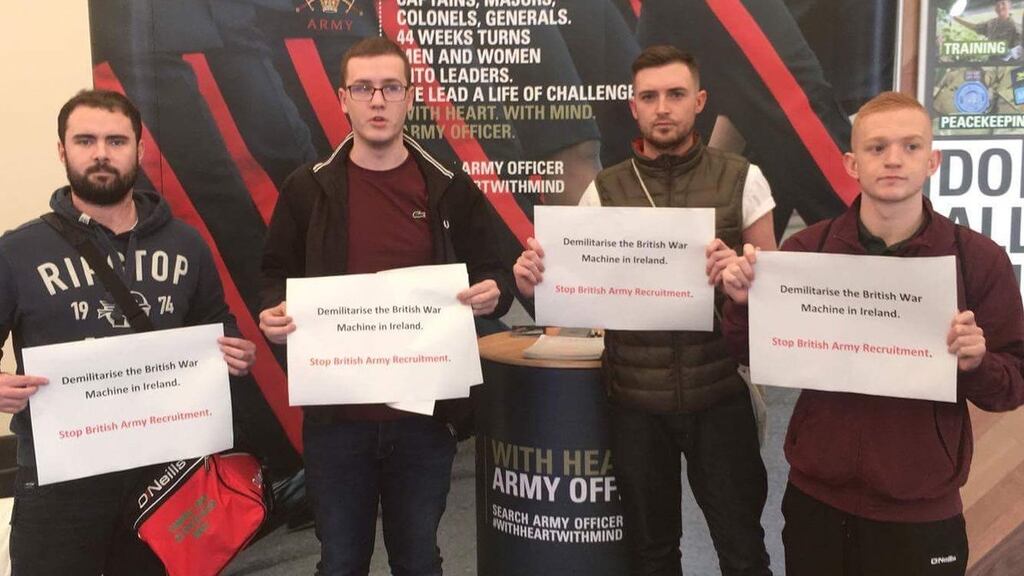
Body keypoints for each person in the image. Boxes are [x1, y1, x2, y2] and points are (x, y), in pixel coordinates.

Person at [720, 91, 1024, 576]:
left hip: (921, 507)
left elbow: (1013, 384)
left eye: (910, 146)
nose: (893, 160)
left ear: (933, 160)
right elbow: (748, 352)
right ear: (851, 163)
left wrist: (977, 363)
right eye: (877, 148)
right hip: (816, 499)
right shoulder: (806, 252)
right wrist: (739, 303)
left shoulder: (978, 259)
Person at [514, 45, 776, 576]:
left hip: (720, 395)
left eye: (676, 94)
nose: (663, 108)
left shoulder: (742, 178)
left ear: (699, 101)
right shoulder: (603, 190)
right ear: (632, 107)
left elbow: (775, 295)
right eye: (649, 96)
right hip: (634, 401)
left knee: (744, 551)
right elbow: (574, 301)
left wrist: (743, 276)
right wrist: (536, 283)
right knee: (651, 555)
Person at [258, 37, 513, 575]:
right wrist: (272, 312)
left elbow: (496, 269)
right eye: (363, 88)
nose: (378, 101)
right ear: (342, 99)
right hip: (337, 419)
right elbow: (273, 274)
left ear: (410, 97)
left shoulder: (447, 186)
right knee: (341, 558)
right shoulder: (308, 188)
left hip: (423, 419)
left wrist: (494, 289)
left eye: (391, 88)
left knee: (418, 556)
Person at [0, 89, 257, 576]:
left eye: (116, 141)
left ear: (140, 151)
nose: (101, 153)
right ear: (62, 151)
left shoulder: (186, 243)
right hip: (60, 476)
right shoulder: (17, 251)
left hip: (161, 474)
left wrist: (237, 355)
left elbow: (218, 328)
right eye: (85, 140)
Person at [955, 0, 1020, 47]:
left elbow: (1019, 48)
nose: (1000, 7)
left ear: (1010, 6)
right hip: (991, 61)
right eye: (997, 5)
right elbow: (975, 27)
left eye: (1003, 4)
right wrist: (955, 18)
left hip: (1009, 64)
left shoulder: (1016, 25)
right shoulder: (991, 23)